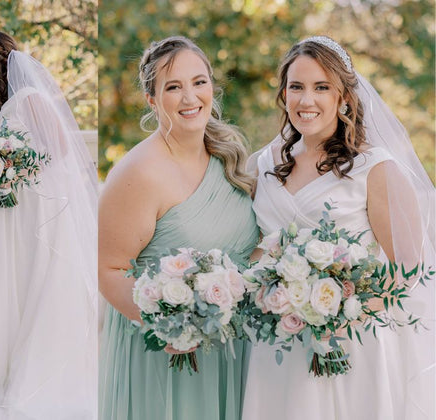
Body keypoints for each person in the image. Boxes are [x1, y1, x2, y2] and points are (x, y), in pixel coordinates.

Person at [243, 36, 435, 420]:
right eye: (296, 87)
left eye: (321, 87)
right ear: (284, 94)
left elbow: (408, 268)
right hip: (279, 342)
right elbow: (256, 250)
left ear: (344, 97)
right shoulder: (261, 165)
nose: (306, 100)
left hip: (352, 344)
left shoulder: (375, 168)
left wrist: (342, 314)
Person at [98, 36, 259, 420]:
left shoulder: (228, 155)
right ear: (152, 100)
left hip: (235, 346)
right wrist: (171, 325)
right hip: (170, 356)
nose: (190, 98)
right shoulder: (138, 174)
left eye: (198, 82)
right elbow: (108, 269)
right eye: (173, 87)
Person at [0, 31, 98, 419]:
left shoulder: (29, 98)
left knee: (25, 282)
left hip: (25, 207)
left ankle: (26, 374)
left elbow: (60, 148)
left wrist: (11, 168)